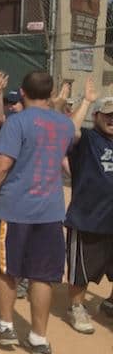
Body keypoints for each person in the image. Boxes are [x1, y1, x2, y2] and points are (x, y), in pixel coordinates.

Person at [0, 71, 80, 354]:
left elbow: (2, 164)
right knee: (42, 276)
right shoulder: (65, 124)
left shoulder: (17, 122)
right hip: (51, 211)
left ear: (22, 92)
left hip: (15, 209)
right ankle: (39, 338)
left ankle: (6, 326)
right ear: (51, 93)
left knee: (6, 270)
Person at [65, 92, 113, 335]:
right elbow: (69, 132)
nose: (112, 119)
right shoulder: (86, 139)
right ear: (96, 116)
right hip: (88, 218)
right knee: (81, 271)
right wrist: (85, 102)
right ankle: (77, 307)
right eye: (108, 115)